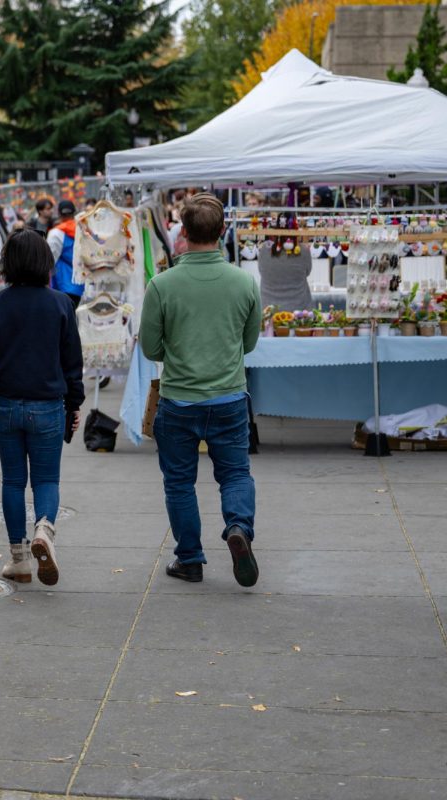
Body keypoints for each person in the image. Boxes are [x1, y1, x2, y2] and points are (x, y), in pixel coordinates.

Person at [139, 193, 261, 587]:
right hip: (228, 396)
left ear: (184, 233)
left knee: (179, 481)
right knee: (236, 473)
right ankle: (238, 526)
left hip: (179, 399)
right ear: (222, 231)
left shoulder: (162, 285)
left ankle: (189, 558)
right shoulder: (244, 282)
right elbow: (250, 343)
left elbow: (151, 349)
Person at [0, 230, 84, 586]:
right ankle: (45, 530)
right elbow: (72, 360)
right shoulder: (62, 304)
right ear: (44, 263)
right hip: (48, 405)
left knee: (14, 481)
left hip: (5, 405)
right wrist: (74, 402)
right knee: (47, 479)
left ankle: (19, 559)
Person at [47, 199, 83, 307]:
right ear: (74, 213)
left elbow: (49, 260)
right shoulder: (84, 230)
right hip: (81, 283)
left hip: (62, 284)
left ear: (58, 214)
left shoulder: (55, 233)